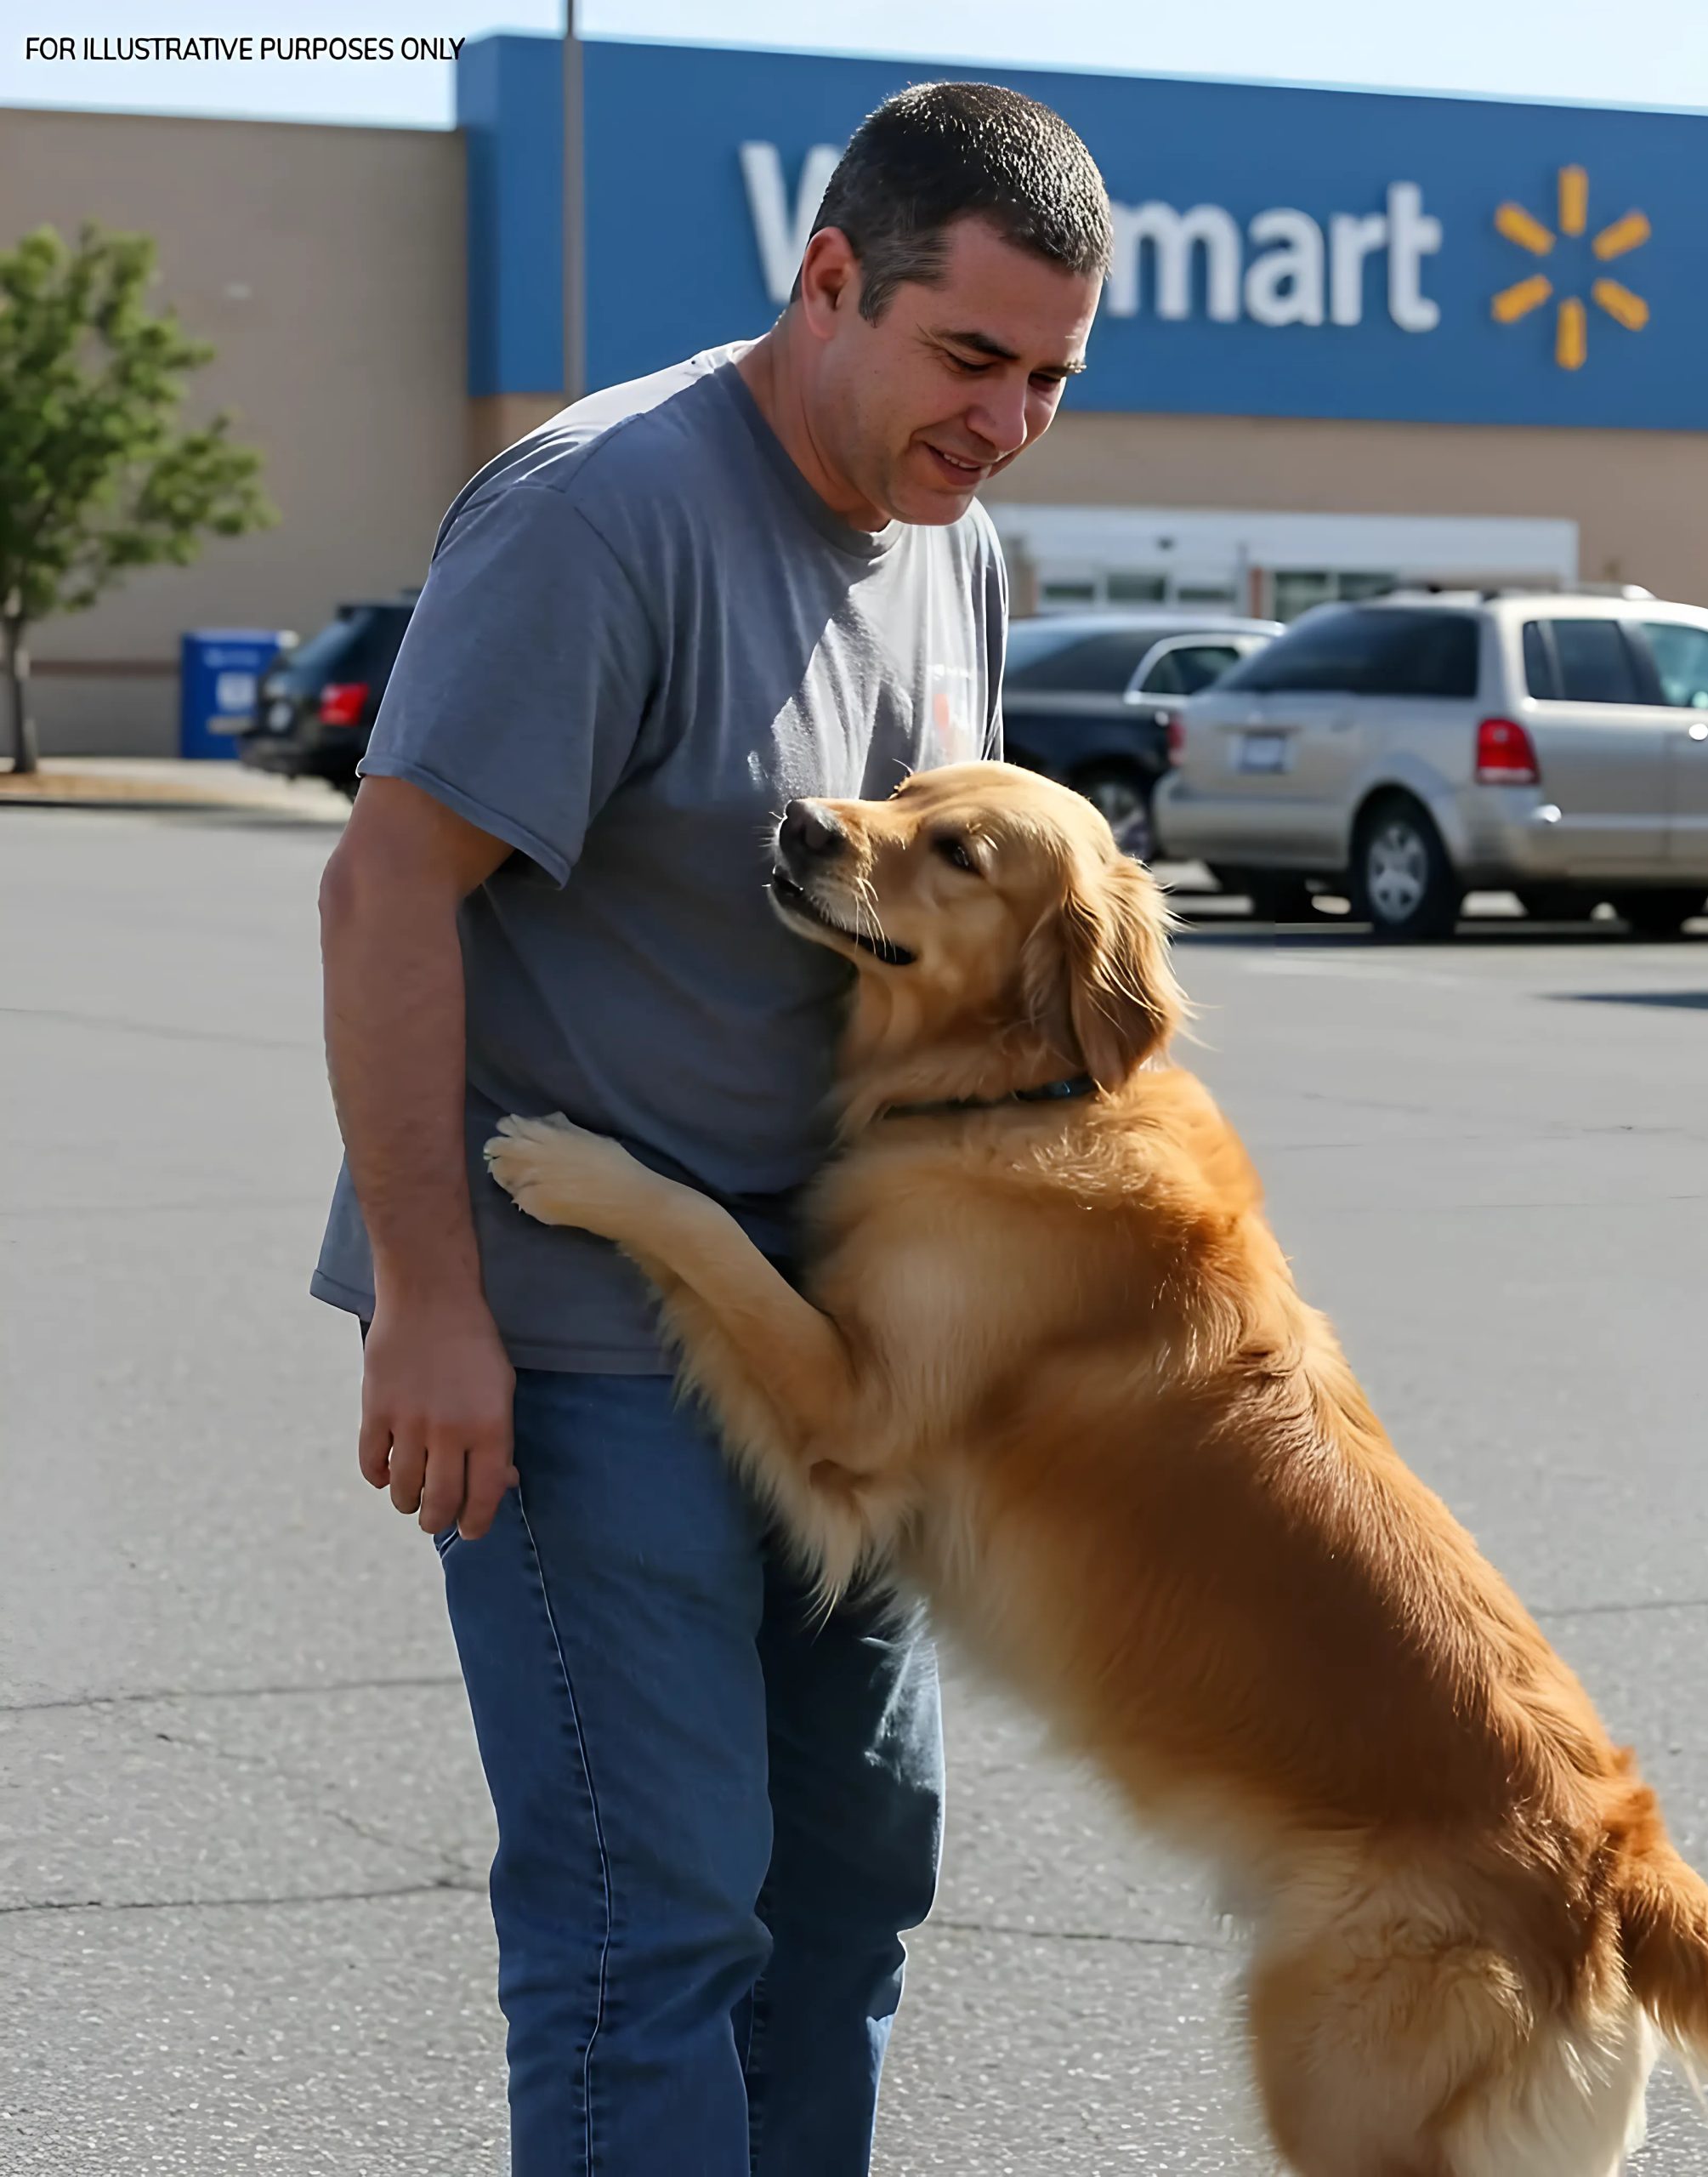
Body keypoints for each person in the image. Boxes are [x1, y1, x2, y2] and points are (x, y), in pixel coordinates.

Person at [312, 82, 1110, 2177]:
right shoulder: (601, 513)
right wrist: (424, 1297)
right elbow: (386, 892)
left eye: (1047, 377)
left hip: (837, 1347)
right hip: (579, 1340)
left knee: (846, 1895)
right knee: (647, 1921)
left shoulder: (958, 551)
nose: (1006, 419)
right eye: (970, 360)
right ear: (828, 279)